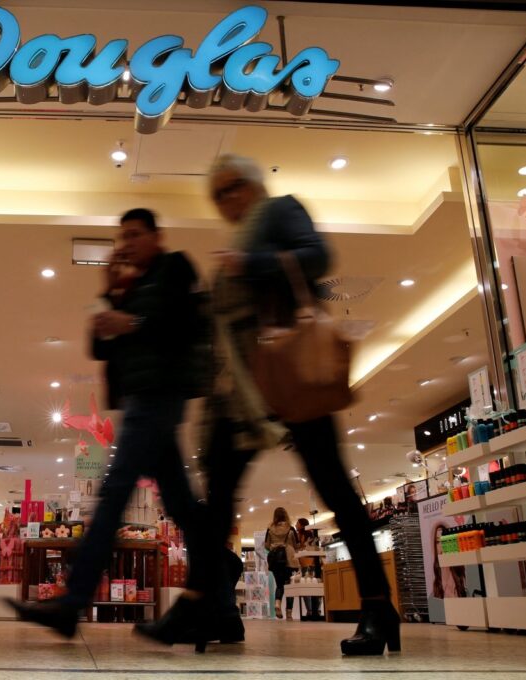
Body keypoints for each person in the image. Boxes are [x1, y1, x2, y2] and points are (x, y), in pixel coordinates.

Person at [198, 154, 400, 656]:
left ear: (251, 184)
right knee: (219, 487)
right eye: (217, 193)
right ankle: (218, 609)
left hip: (290, 371)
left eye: (232, 187)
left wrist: (252, 264)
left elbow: (318, 256)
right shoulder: (237, 240)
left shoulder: (281, 211)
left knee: (334, 487)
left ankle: (377, 607)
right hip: (245, 393)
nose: (226, 200)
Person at [9, 208, 220, 651]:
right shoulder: (129, 287)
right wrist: (108, 293)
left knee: (113, 492)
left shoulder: (175, 267)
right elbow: (99, 346)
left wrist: (133, 322)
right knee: (182, 505)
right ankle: (211, 597)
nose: (127, 243)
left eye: (135, 234)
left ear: (157, 236)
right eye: (122, 236)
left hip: (161, 395)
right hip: (140, 401)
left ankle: (72, 604)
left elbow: (186, 324)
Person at [264, 507, 298, 620]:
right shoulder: (291, 528)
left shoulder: (269, 529)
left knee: (279, 585)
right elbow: (296, 545)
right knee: (289, 586)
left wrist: (275, 546)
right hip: (289, 560)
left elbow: (266, 545)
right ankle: (289, 613)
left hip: (275, 560)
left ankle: (277, 603)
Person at [294, 517, 322, 620]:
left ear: (301, 525)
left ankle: (310, 610)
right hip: (311, 563)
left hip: (306, 563)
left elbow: (301, 548)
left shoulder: (302, 535)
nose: (296, 525)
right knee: (315, 586)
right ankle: (316, 609)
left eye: (297, 523)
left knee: (305, 587)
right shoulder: (309, 535)